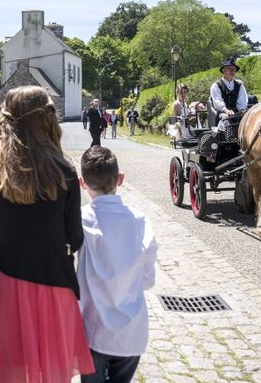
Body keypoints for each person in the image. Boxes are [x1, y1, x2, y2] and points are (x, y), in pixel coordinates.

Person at [0, 86, 94, 382]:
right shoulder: (63, 169)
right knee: (52, 374)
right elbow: (74, 238)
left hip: (4, 284)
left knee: (10, 373)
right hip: (54, 284)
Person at [77, 146, 158, 383]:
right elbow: (148, 280)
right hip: (131, 332)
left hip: (94, 329)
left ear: (83, 182)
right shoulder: (140, 221)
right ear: (120, 179)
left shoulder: (80, 220)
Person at [209, 57, 249, 122]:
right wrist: (226, 110)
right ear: (223, 71)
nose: (232, 71)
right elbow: (218, 102)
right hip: (222, 112)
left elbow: (242, 100)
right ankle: (225, 132)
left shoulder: (239, 85)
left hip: (237, 112)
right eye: (229, 69)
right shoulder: (216, 85)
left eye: (234, 69)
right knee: (226, 119)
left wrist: (242, 110)